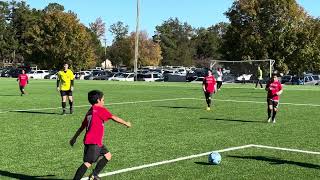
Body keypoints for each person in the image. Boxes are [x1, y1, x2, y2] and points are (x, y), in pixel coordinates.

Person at [70, 90, 131, 180]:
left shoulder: (90, 111)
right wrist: (126, 123)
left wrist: (74, 138)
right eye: (103, 100)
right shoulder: (99, 109)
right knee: (88, 163)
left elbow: (82, 127)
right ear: (98, 100)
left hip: (94, 141)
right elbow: (114, 117)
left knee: (108, 155)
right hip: (94, 142)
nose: (104, 101)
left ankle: (94, 175)